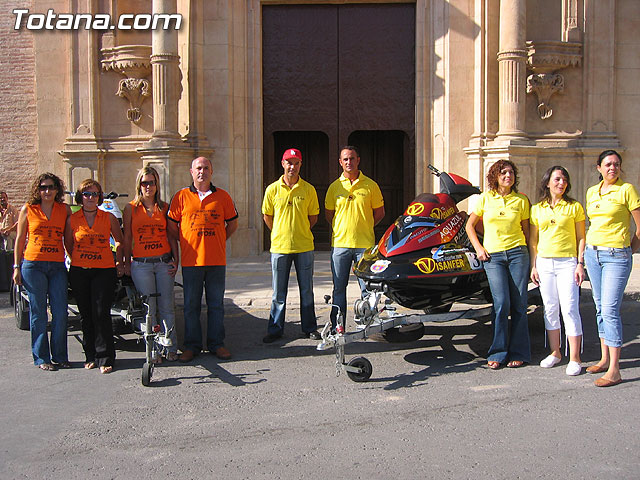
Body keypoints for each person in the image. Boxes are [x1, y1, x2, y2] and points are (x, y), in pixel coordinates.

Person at [167, 157, 238, 362]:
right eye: (199, 168)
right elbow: (172, 227)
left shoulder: (222, 196)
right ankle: (191, 346)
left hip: (216, 261)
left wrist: (219, 239)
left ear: (211, 171)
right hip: (191, 262)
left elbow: (232, 224)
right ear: (191, 171)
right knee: (191, 306)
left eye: (206, 168)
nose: (202, 172)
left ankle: (217, 344)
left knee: (216, 305)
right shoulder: (180, 196)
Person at [465, 160, 531, 369]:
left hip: (518, 254)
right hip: (493, 258)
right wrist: (479, 248)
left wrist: (532, 258)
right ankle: (498, 351)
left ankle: (519, 352)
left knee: (519, 305)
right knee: (501, 303)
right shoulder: (486, 199)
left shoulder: (521, 200)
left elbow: (527, 231)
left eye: (511, 172)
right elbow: (469, 226)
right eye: (503, 173)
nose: (508, 176)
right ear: (495, 176)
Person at [583, 150, 640, 387]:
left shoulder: (626, 190)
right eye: (608, 164)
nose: (612, 168)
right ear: (599, 168)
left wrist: (630, 248)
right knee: (599, 306)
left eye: (616, 164)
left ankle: (615, 369)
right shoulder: (591, 192)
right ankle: (605, 358)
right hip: (593, 253)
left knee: (610, 308)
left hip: (616, 255)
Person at [529, 166, 585, 376]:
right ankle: (555, 352)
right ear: (547, 183)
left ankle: (575, 358)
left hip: (567, 263)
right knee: (550, 308)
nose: (561, 183)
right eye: (557, 179)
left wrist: (580, 263)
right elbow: (533, 241)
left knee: (570, 308)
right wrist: (534, 265)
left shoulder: (574, 207)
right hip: (544, 263)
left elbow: (581, 237)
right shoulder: (537, 209)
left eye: (564, 180)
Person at [65, 179, 125, 374]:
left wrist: (119, 262)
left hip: (104, 270)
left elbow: (119, 241)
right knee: (86, 315)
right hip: (80, 271)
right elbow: (68, 244)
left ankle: (105, 357)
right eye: (87, 194)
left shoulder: (108, 218)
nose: (91, 197)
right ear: (80, 197)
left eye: (95, 194)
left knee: (101, 313)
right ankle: (90, 355)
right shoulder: (73, 220)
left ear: (100, 196)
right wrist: (80, 258)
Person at [13, 174, 72, 371]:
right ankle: (41, 358)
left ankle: (60, 356)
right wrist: (16, 267)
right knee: (38, 313)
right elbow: (20, 239)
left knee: (60, 311)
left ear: (57, 190)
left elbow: (69, 238)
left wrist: (75, 259)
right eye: (43, 188)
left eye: (51, 187)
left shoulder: (64, 210)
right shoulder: (28, 209)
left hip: (57, 266)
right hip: (33, 265)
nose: (47, 191)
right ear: (37, 190)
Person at [261, 148, 321, 343]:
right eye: (289, 162)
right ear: (282, 164)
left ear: (300, 165)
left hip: (304, 246)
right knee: (278, 292)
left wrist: (299, 230)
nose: (292, 167)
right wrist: (280, 232)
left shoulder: (309, 189)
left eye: (296, 163)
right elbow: (267, 216)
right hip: (280, 247)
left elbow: (313, 217)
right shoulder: (272, 189)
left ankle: (309, 328)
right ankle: (275, 329)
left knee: (306, 290)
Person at [123, 166, 179, 362]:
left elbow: (171, 235)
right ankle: (153, 350)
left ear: (157, 185)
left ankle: (170, 347)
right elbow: (127, 237)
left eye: (152, 182)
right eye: (144, 182)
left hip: (163, 262)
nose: (148, 186)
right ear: (139, 184)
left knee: (167, 306)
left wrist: (176, 259)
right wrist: (125, 263)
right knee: (149, 308)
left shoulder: (164, 207)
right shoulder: (130, 208)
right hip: (142, 264)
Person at [325, 146, 385, 329]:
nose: (349, 162)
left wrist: (365, 226)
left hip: (364, 246)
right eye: (345, 159)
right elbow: (329, 215)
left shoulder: (371, 185)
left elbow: (380, 213)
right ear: (340, 162)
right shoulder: (334, 187)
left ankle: (368, 323)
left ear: (358, 160)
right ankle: (338, 324)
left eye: (352, 158)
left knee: (367, 289)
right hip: (340, 245)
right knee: (338, 288)